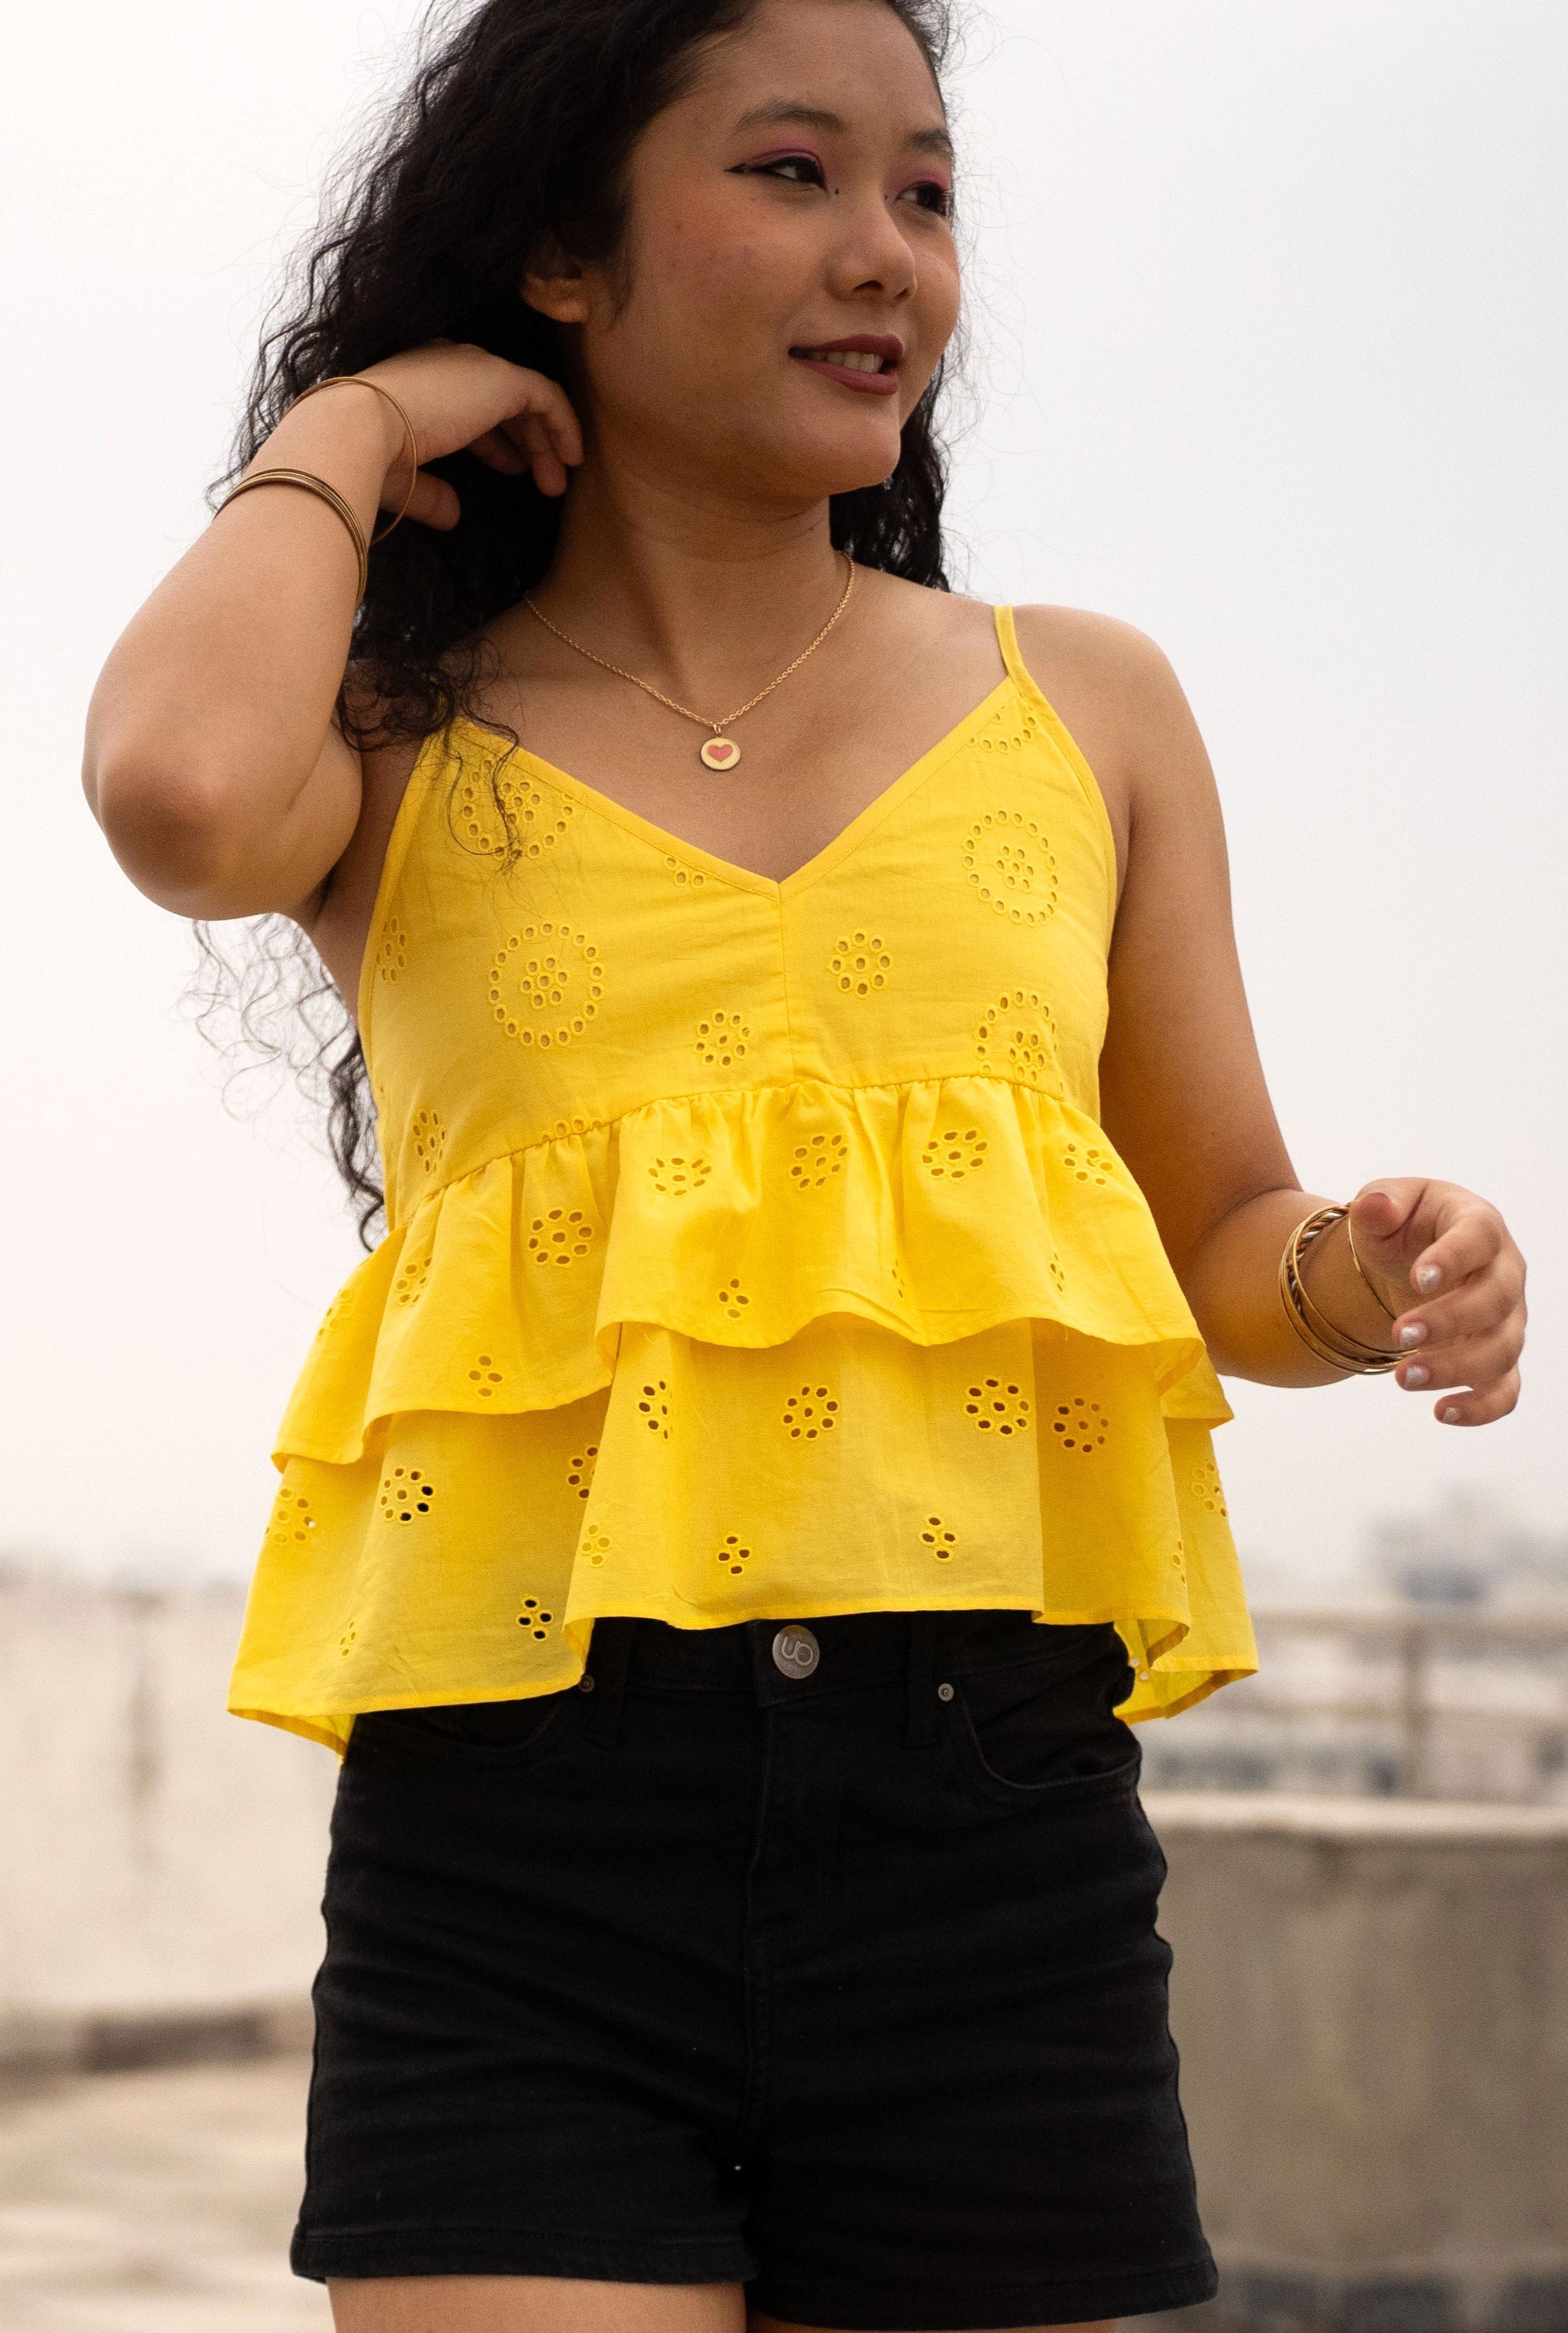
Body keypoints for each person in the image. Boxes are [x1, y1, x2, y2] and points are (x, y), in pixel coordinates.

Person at [82, 0, 1528, 2327]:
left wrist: (1365, 1272)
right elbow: (170, 798)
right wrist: (350, 425)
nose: (890, 256)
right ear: (562, 248)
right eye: (794, 174)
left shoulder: (1090, 702)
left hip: (992, 1835)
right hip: (520, 1821)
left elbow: (1217, 1240)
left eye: (928, 193)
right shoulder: (396, 733)